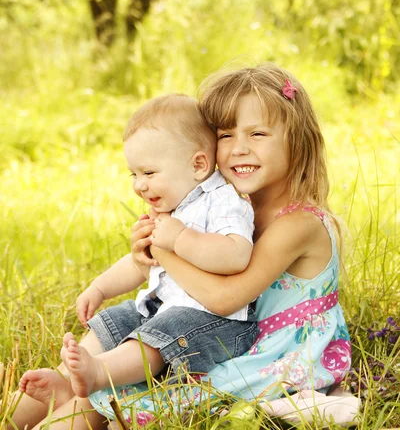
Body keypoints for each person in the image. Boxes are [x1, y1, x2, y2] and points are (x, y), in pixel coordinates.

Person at [10, 63, 358, 430]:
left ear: (297, 139)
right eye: (225, 134)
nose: (239, 148)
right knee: (107, 349)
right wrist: (142, 254)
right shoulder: (230, 207)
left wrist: (166, 250)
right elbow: (165, 266)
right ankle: (45, 394)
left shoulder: (298, 224)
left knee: (118, 395)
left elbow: (225, 300)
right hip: (213, 332)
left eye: (257, 133)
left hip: (273, 354)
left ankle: (76, 397)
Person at [11, 93, 257, 429]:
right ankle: (67, 380)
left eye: (149, 172)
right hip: (164, 310)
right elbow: (141, 263)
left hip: (213, 322)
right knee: (120, 316)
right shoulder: (169, 206)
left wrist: (180, 239)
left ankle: (98, 373)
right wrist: (99, 288)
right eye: (133, 175)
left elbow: (237, 254)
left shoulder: (223, 200)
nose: (139, 185)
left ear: (198, 165)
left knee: (162, 331)